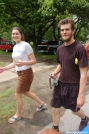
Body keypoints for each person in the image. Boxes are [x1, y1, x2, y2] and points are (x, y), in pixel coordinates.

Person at [0, 27, 46, 123]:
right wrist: (4, 68)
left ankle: (18, 115)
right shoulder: (15, 46)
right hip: (20, 73)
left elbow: (34, 61)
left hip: (26, 73)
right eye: (13, 34)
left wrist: (23, 63)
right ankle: (41, 104)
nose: (15, 35)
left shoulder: (26, 45)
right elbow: (15, 62)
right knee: (25, 91)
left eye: (17, 33)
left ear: (21, 34)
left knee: (18, 93)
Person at [50, 18, 89, 132]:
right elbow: (61, 64)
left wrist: (80, 96)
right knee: (55, 107)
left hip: (73, 86)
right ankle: (55, 129)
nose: (64, 32)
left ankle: (85, 119)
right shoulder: (60, 49)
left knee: (74, 110)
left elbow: (83, 74)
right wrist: (55, 72)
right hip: (60, 84)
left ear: (72, 30)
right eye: (62, 30)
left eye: (67, 29)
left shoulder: (79, 48)